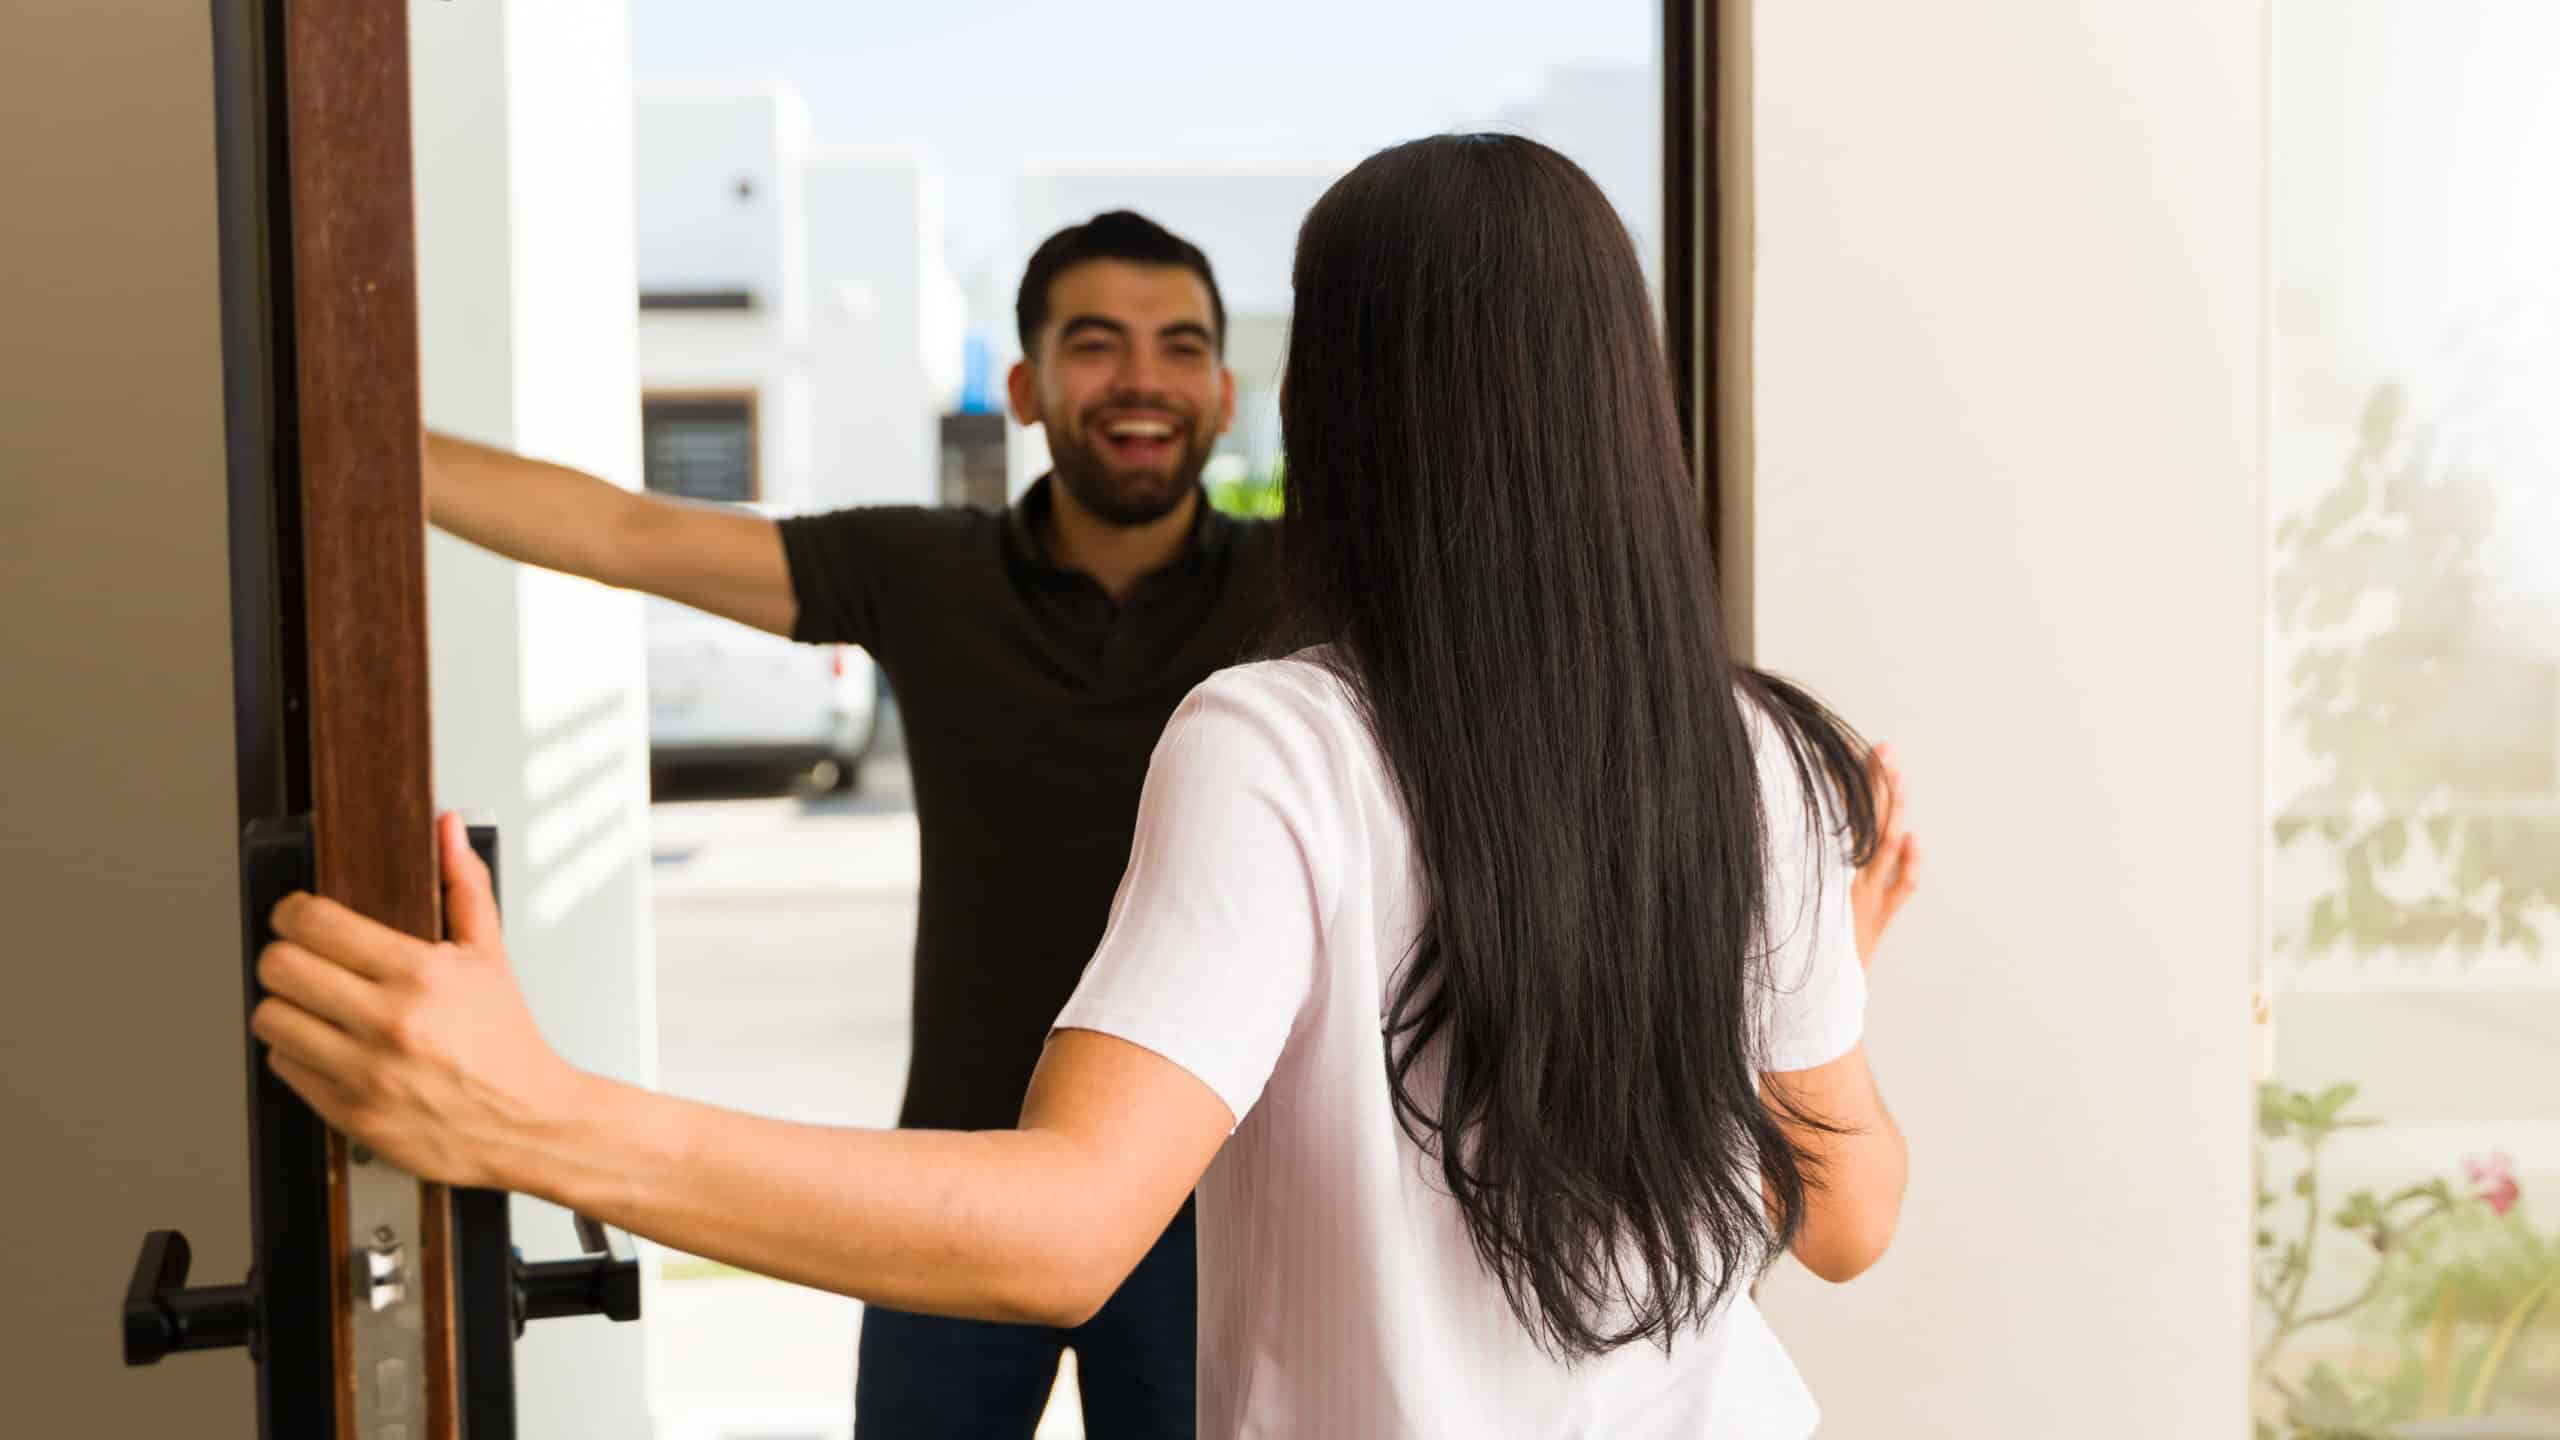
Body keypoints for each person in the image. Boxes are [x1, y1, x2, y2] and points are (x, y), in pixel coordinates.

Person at [258, 161, 1918, 1438]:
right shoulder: (1768, 754)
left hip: (1108, 1189)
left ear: (1302, 402)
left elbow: (1067, 1229)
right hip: (1014, 1164)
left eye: (1193, 343)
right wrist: (1801, 968)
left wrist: (531, 1113)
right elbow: (1849, 1218)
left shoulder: (1283, 727)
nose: (1146, 377)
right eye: (1098, 342)